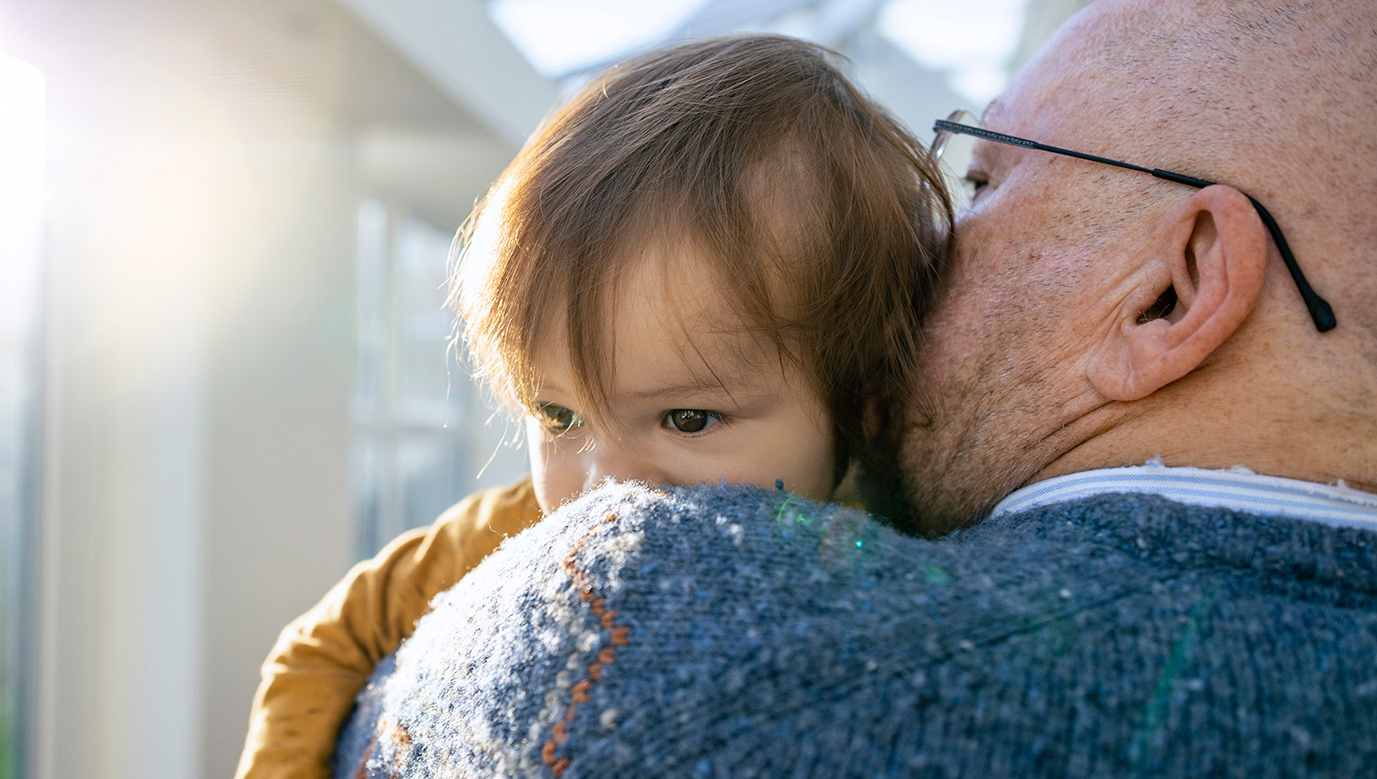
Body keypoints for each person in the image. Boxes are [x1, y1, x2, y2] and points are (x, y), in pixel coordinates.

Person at [334, 0, 1377, 776]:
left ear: (1169, 288)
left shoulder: (649, 622)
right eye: (552, 413)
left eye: (984, 181)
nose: (932, 251)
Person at [236, 34, 950, 778]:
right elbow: (323, 644)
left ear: (863, 404)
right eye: (559, 415)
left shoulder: (912, 528)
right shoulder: (509, 531)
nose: (604, 483)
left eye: (688, 419)